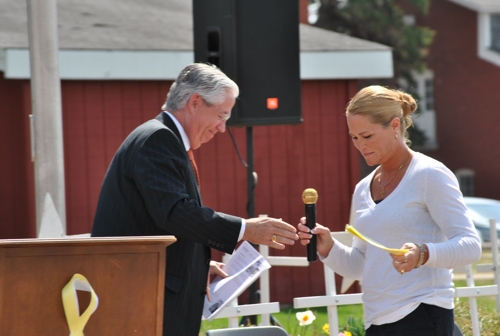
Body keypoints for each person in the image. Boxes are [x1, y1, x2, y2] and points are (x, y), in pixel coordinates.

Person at [91, 63, 299, 336]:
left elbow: (161, 223)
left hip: (147, 293)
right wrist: (246, 229)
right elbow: (175, 213)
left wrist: (199, 267)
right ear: (195, 102)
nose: (223, 128)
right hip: (140, 298)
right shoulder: (158, 138)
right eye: (222, 115)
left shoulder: (164, 138)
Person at [297, 85, 481, 335]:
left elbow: (471, 246)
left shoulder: (429, 174)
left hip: (423, 313)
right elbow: (361, 266)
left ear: (395, 126)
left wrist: (423, 254)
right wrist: (328, 248)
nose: (360, 145)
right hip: (377, 321)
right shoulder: (363, 188)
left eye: (367, 136)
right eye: (354, 137)